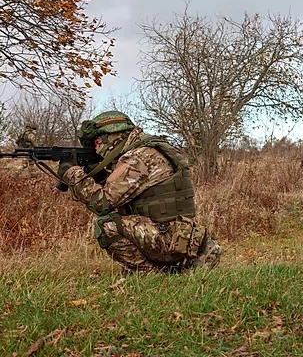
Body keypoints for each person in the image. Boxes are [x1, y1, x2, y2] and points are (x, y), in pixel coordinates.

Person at [57, 110, 223, 274]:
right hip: (181, 237)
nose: (98, 148)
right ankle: (165, 268)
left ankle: (148, 275)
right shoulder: (148, 149)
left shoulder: (138, 157)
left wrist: (72, 173)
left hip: (168, 239)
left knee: (107, 226)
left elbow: (102, 204)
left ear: (116, 136)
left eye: (99, 141)